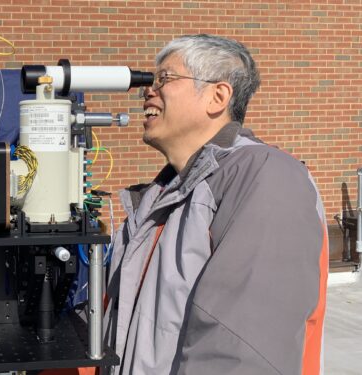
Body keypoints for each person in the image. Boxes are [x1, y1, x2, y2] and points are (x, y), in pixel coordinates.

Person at [105, 34, 327, 374]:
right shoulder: (161, 195)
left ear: (217, 96)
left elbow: (241, 352)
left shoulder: (264, 176)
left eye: (164, 78)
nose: (147, 90)